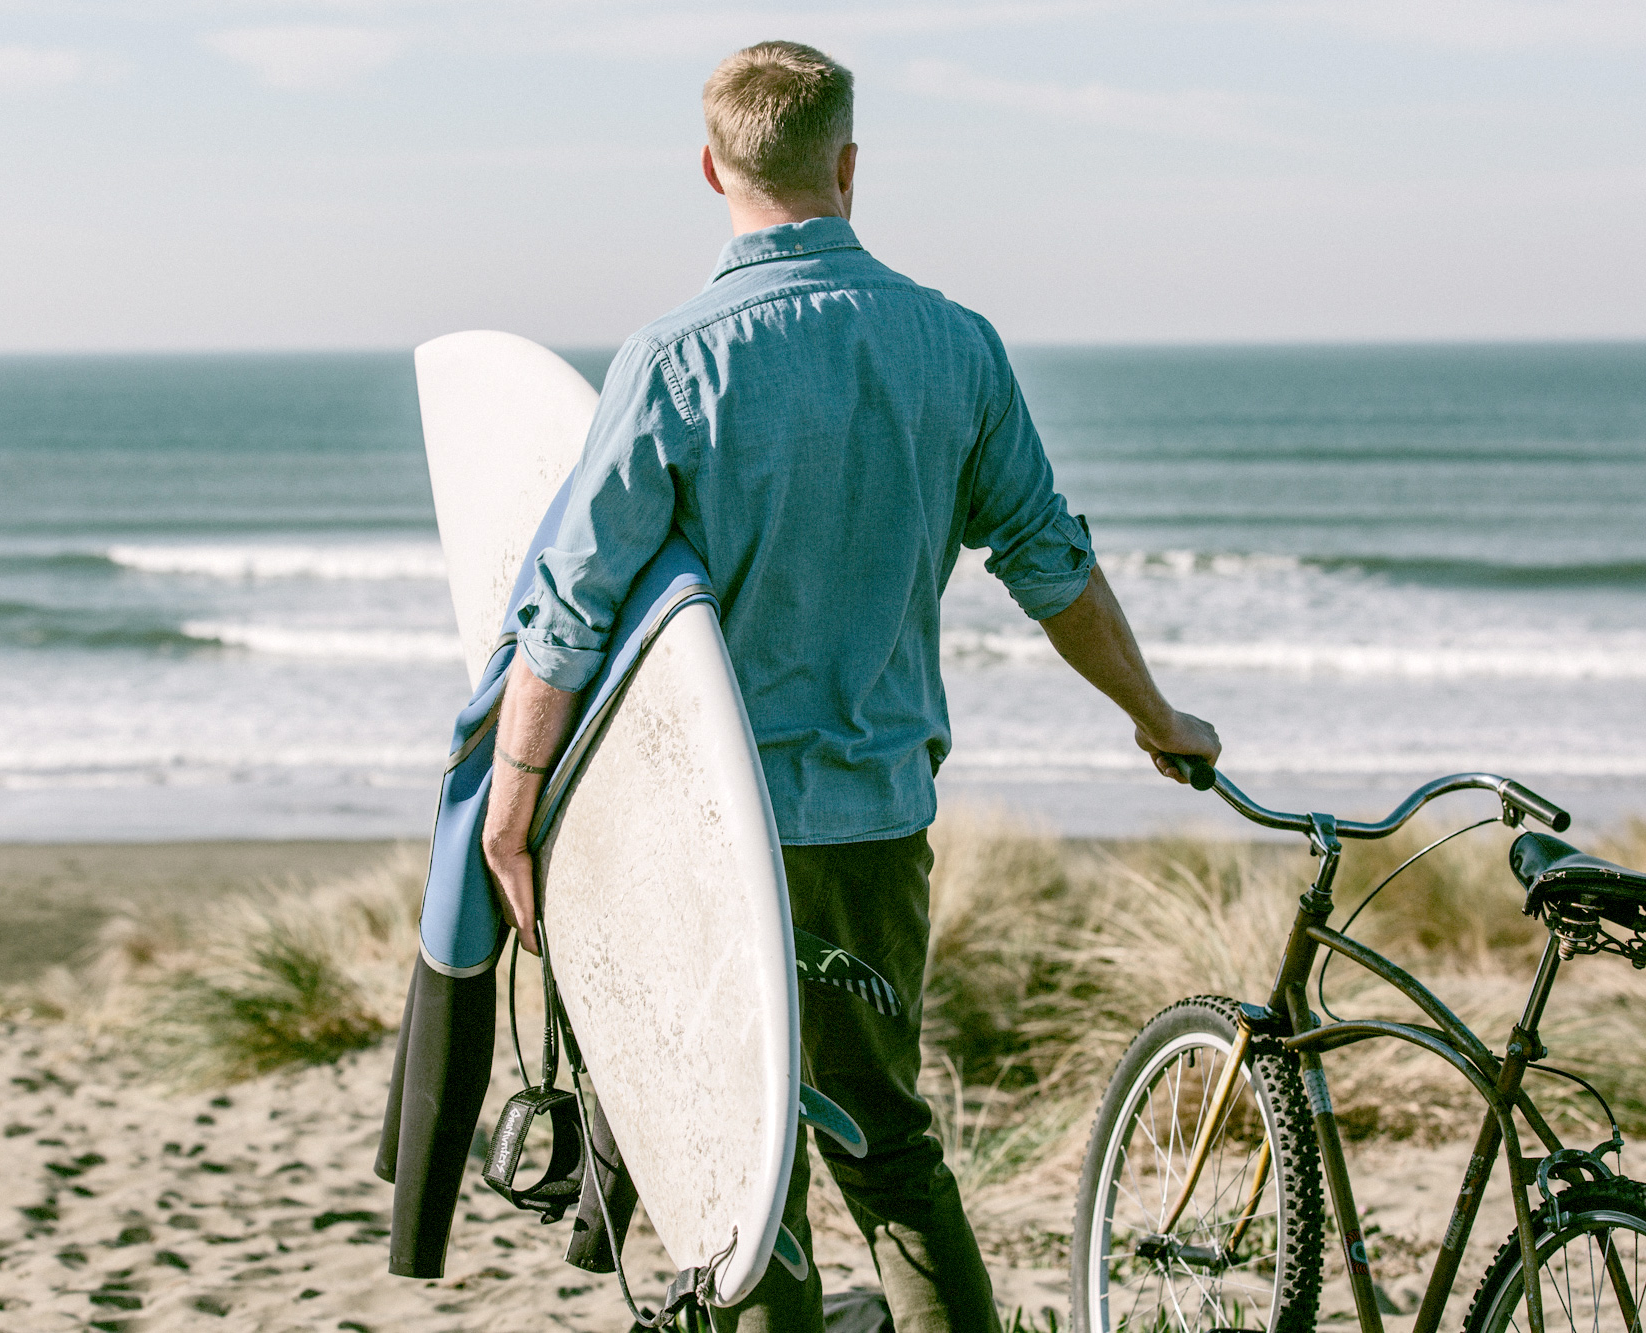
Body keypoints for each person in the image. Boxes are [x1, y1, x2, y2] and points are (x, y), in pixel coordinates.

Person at [481, 39, 1220, 1333]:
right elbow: (1054, 569)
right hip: (878, 826)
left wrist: (516, 790)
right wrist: (1156, 718)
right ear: (851, 166)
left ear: (711, 167)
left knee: (734, 1176)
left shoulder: (669, 365)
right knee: (886, 1148)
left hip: (711, 841)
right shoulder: (957, 349)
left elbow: (569, 608)